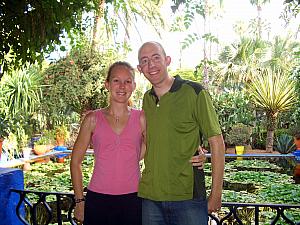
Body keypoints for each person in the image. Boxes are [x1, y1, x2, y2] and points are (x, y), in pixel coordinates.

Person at [70, 61, 205, 225]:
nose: (122, 86)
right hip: (98, 199)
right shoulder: (92, 119)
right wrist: (79, 201)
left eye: (127, 81)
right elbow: (75, 162)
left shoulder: (141, 117)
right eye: (116, 81)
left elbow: (160, 141)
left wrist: (193, 148)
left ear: (134, 86)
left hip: (134, 199)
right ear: (107, 84)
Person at [137, 41, 225, 225]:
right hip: (150, 197)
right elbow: (149, 141)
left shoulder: (194, 92)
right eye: (144, 61)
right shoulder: (147, 99)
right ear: (140, 68)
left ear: (167, 60)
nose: (151, 65)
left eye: (156, 58)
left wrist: (216, 193)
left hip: (188, 197)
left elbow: (216, 142)